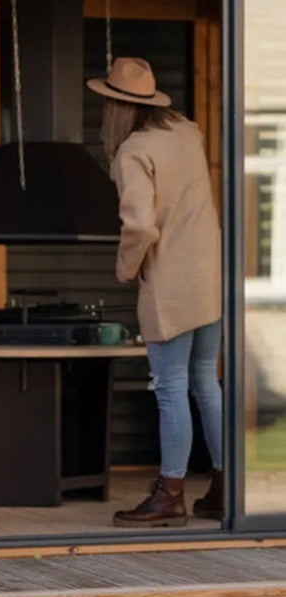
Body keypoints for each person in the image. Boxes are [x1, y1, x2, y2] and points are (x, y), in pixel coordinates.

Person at [87, 57, 223, 527]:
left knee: (170, 390)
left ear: (115, 107)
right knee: (206, 381)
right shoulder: (188, 132)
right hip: (211, 274)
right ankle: (226, 487)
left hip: (171, 282)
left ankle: (170, 494)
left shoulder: (132, 151)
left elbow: (141, 224)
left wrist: (126, 267)